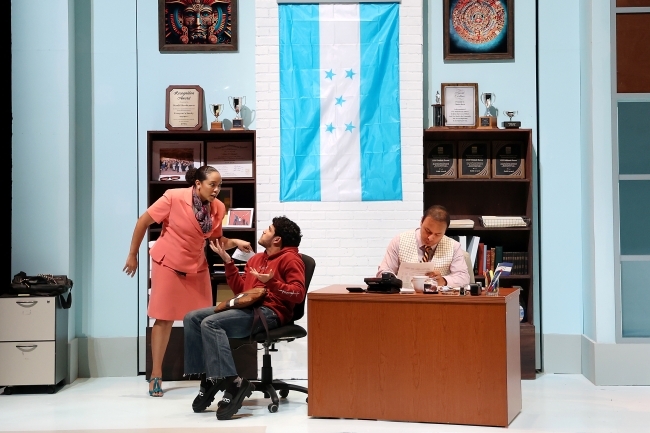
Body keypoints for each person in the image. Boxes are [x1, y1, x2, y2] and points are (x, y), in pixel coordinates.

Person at [123, 165, 251, 397]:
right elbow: (143, 222)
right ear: (198, 184)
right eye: (213, 184)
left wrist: (236, 242)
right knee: (164, 319)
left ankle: (210, 374)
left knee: (206, 320)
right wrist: (133, 254)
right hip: (168, 264)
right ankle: (156, 374)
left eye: (219, 185)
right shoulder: (173, 197)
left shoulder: (218, 207)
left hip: (196, 267)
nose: (216, 189)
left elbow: (216, 240)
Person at [184, 216, 305, 420]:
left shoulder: (291, 259)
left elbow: (298, 293)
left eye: (268, 229)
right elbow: (242, 291)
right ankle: (210, 377)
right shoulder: (257, 259)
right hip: (249, 308)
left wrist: (273, 283)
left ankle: (233, 383)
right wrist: (228, 263)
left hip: (271, 313)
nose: (264, 232)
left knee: (211, 323)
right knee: (192, 318)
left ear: (277, 239)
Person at [377, 205, 470, 288]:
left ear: (445, 231)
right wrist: (392, 280)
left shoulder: (454, 246)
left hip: (438, 301)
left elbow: (463, 277)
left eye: (437, 234)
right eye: (428, 231)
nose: (430, 238)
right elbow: (384, 271)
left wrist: (444, 281)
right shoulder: (399, 241)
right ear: (421, 222)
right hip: (404, 300)